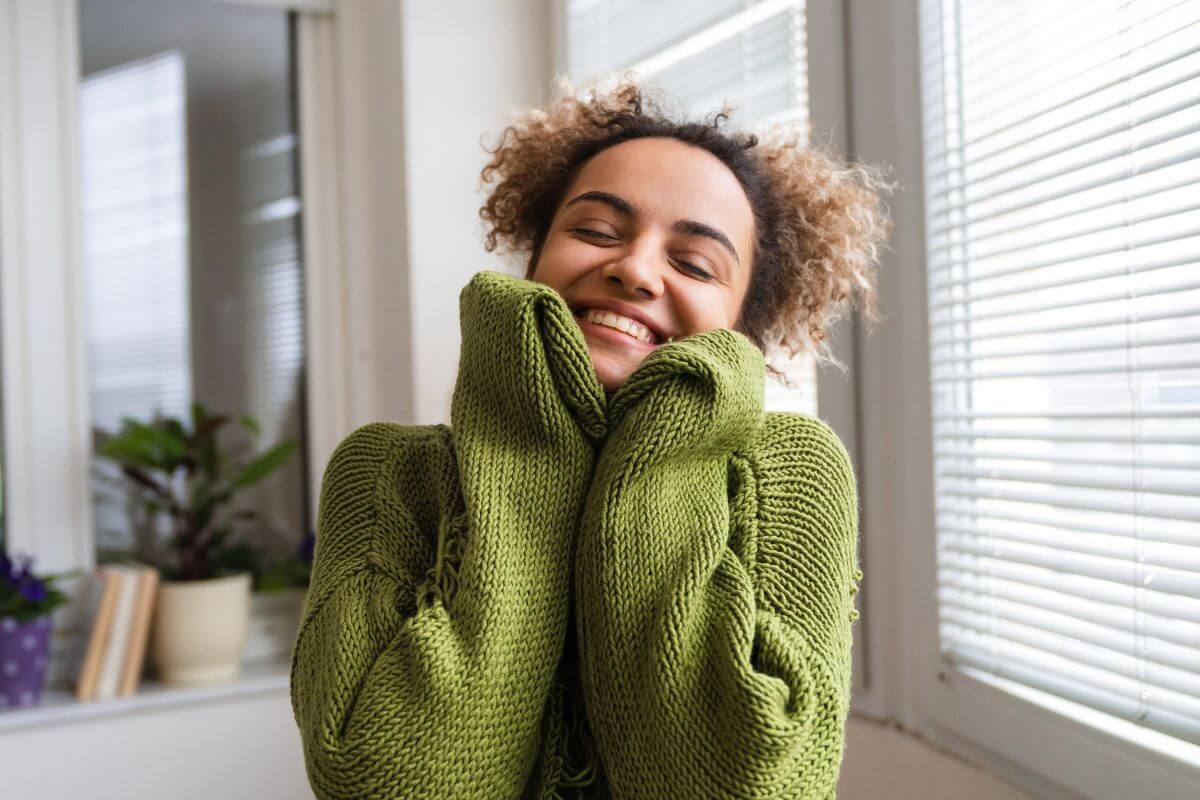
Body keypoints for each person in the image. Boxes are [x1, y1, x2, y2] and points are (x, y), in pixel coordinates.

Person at [289, 76, 893, 800]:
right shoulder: (383, 471)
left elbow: (754, 785)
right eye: (597, 232)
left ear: (741, 325)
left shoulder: (796, 469)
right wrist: (530, 444)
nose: (633, 270)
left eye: (694, 264)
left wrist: (666, 448)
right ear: (535, 259)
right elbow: (379, 779)